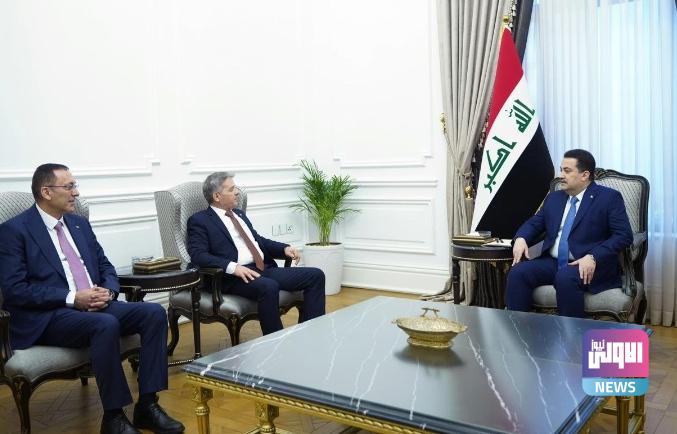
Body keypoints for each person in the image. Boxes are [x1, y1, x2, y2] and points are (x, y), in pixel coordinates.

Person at [0, 164, 184, 434]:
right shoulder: (14, 231)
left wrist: (108, 291)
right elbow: (16, 289)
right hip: (50, 314)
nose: (76, 193)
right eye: (69, 187)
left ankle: (147, 405)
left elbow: (105, 266)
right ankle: (114, 417)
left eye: (75, 186)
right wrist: (73, 298)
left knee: (153, 313)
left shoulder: (79, 224)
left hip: (95, 304)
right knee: (105, 324)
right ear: (46, 192)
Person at [187, 172, 326, 335]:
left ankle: (311, 333)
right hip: (233, 277)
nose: (237, 192)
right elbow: (198, 255)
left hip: (262, 269)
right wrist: (233, 267)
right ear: (217, 196)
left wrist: (283, 249)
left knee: (316, 275)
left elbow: (258, 241)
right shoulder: (200, 220)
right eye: (232, 189)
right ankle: (275, 342)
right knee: (269, 286)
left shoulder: (238, 214)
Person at [506, 149, 633, 317]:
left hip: (590, 264)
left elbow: (623, 235)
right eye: (561, 170)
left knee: (565, 277)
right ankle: (518, 329)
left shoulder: (609, 198)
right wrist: (521, 238)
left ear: (584, 175)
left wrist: (593, 256)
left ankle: (572, 332)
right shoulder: (554, 198)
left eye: (567, 171)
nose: (561, 175)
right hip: (553, 262)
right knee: (518, 272)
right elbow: (535, 223)